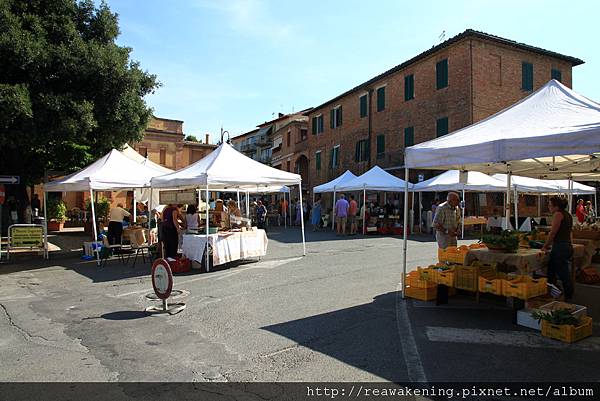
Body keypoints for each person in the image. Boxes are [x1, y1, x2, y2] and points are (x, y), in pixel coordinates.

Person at [542, 196, 574, 300]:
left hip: (560, 246)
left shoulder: (558, 214)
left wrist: (545, 246)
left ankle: (568, 294)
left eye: (550, 205)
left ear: (556, 206)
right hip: (566, 245)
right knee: (551, 269)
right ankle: (553, 291)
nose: (548, 207)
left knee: (563, 272)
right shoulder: (568, 215)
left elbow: (553, 233)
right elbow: (569, 232)